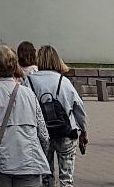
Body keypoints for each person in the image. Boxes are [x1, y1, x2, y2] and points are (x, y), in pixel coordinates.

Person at [0, 45, 48, 187]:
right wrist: (41, 152)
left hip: (0, 161)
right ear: (15, 66)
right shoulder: (29, 94)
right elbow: (43, 134)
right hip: (29, 160)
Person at [27, 46, 86, 187]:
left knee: (45, 176)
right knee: (67, 178)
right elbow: (78, 107)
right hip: (66, 132)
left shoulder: (29, 81)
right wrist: (83, 130)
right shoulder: (64, 81)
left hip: (41, 134)